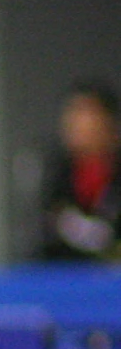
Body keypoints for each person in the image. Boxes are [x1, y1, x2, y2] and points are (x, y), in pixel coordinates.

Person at [40, 79, 120, 262]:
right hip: (68, 279)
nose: (74, 123)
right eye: (71, 113)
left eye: (84, 112)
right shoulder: (55, 175)